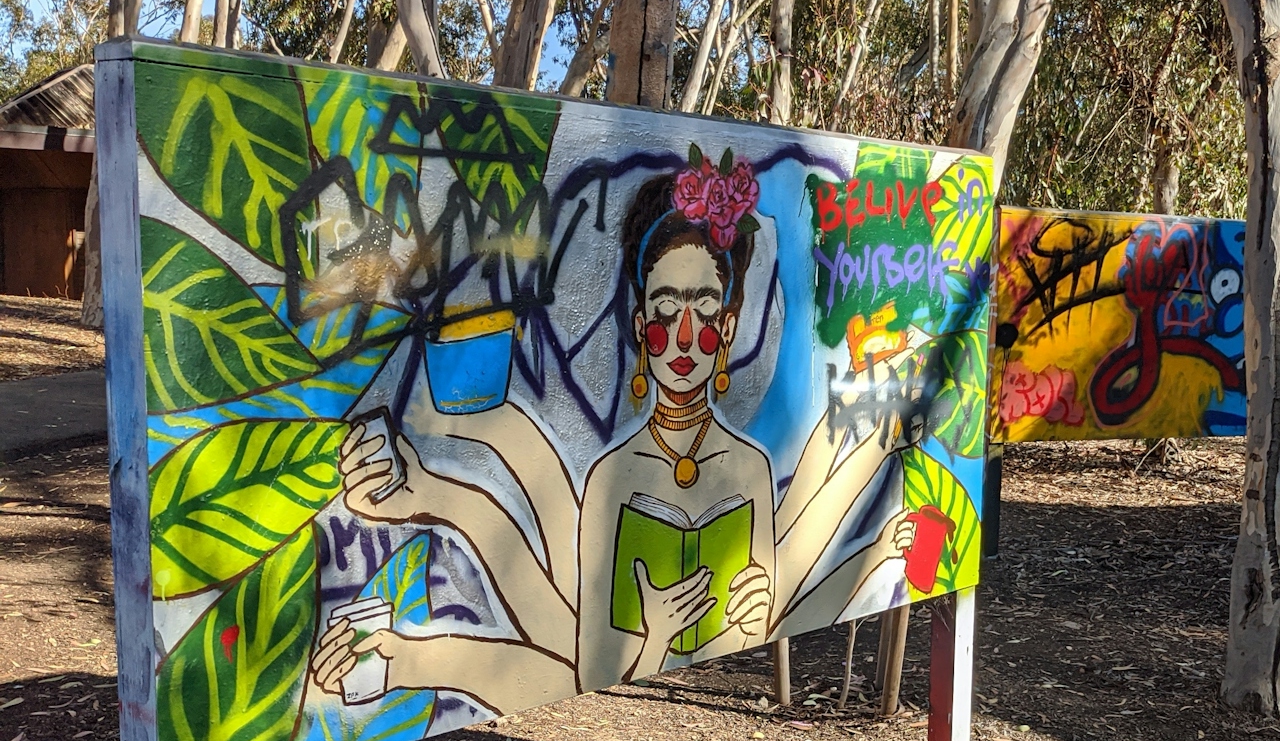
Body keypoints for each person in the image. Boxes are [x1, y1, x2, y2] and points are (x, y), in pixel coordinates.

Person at [312, 149, 917, 711]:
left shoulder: (752, 467)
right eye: (665, 309)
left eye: (705, 312)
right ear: (639, 321)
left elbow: (779, 597)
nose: (684, 338)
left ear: (728, 330)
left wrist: (777, 599)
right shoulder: (609, 473)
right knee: (516, 469)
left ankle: (406, 603)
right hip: (533, 593)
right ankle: (408, 585)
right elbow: (577, 658)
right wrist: (650, 641)